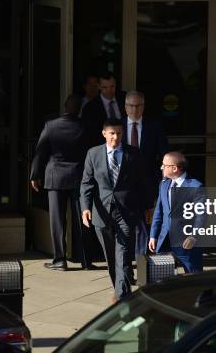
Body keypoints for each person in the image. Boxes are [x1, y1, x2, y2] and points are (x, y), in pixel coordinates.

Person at [80, 118, 153, 301]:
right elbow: (87, 183)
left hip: (127, 211)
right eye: (112, 133)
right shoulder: (93, 154)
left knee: (123, 253)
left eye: (119, 133)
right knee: (110, 256)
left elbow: (143, 182)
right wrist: (85, 208)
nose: (115, 137)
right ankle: (120, 287)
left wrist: (148, 206)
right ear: (104, 133)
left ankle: (122, 295)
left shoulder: (133, 154)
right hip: (102, 211)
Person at [30, 95, 95, 271]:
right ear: (79, 109)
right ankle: (85, 260)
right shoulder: (84, 126)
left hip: (55, 177)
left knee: (57, 220)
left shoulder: (51, 125)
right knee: (83, 219)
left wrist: (34, 175)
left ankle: (59, 259)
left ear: (64, 107)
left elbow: (40, 151)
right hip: (79, 177)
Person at [121, 90, 168, 258]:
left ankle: (142, 260)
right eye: (131, 106)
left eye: (139, 106)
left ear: (144, 107)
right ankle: (125, 260)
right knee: (123, 225)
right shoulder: (117, 127)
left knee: (144, 224)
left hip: (146, 182)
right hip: (122, 184)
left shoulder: (154, 127)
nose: (135, 110)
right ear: (126, 107)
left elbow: (163, 153)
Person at [148, 152, 203, 273]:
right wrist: (153, 235)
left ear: (175, 168)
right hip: (164, 240)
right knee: (162, 276)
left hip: (186, 241)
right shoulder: (164, 184)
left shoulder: (195, 186)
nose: (161, 167)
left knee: (193, 276)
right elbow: (159, 212)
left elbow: (202, 216)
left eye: (164, 165)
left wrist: (194, 236)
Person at [80, 73, 126, 147]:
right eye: (105, 87)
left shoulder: (125, 99)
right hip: (103, 147)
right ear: (99, 87)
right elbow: (89, 135)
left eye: (112, 86)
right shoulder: (90, 108)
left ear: (116, 85)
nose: (109, 90)